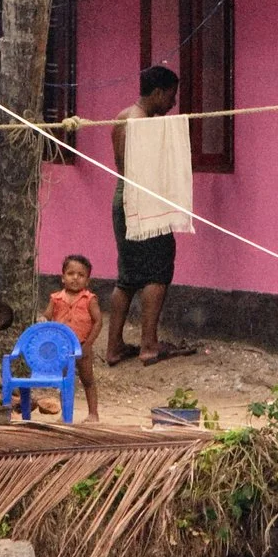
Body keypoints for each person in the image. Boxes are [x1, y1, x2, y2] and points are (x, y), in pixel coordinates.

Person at [108, 65, 192, 367]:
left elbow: (121, 163)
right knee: (158, 269)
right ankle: (148, 344)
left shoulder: (121, 116)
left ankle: (114, 346)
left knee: (127, 276)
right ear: (157, 93)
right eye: (170, 96)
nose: (172, 104)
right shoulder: (147, 125)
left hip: (121, 199)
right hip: (143, 202)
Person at [44, 253, 104, 422]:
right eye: (71, 274)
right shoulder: (55, 299)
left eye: (81, 275)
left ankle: (93, 413)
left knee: (88, 379)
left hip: (82, 345)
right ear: (63, 277)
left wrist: (88, 345)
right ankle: (66, 414)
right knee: (64, 381)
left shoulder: (89, 299)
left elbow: (98, 321)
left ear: (87, 280)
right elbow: (47, 317)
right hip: (61, 348)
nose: (75, 278)